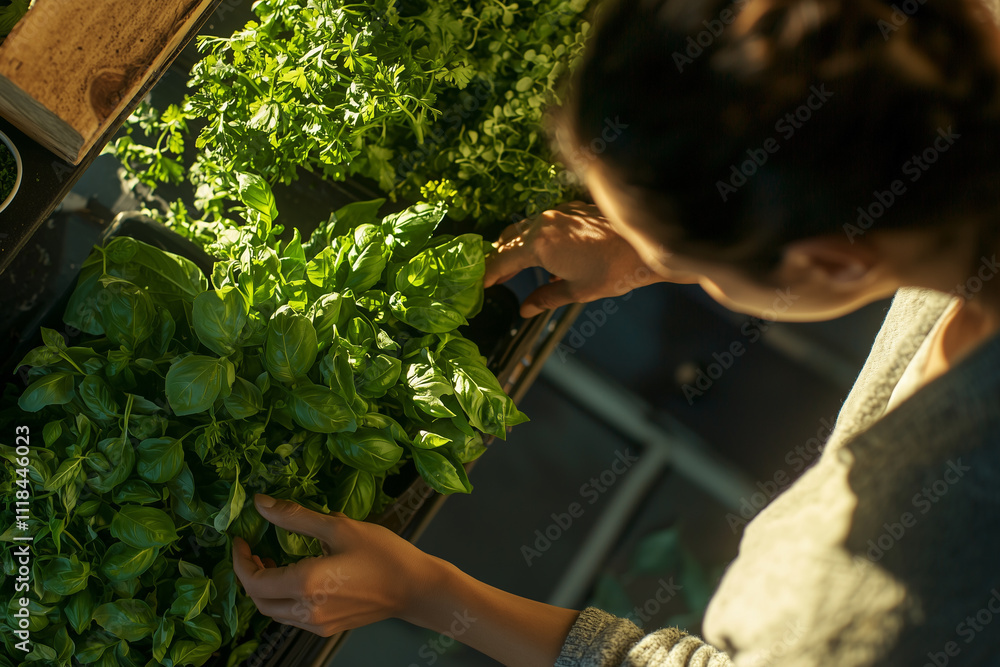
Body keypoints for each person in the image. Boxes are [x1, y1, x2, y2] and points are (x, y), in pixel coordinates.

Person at [231, 0, 1000, 664]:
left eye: (691, 263)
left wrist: (426, 589)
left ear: (831, 259)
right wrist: (659, 241)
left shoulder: (887, 569)